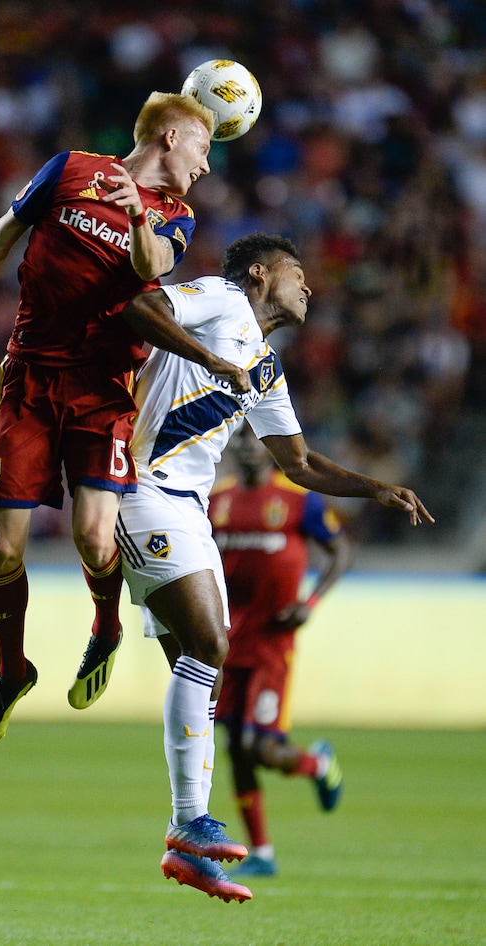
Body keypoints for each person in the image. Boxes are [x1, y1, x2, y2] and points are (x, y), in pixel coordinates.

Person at [0, 92, 250, 750]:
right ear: (172, 138)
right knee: (3, 548)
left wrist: (135, 219)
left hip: (102, 389)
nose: (207, 167)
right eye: (205, 150)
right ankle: (12, 671)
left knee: (96, 539)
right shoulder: (68, 171)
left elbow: (153, 272)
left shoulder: (175, 217)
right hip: (30, 380)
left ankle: (107, 626)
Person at [98, 232, 433, 902]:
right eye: (297, 273)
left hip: (189, 508)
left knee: (201, 672)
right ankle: (190, 824)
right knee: (210, 649)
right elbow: (139, 307)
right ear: (260, 274)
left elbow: (299, 464)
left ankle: (186, 839)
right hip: (142, 487)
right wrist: (212, 363)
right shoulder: (220, 299)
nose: (309, 287)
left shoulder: (269, 367)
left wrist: (375, 487)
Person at [208, 424, 354, 878]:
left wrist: (309, 604)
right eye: (240, 439)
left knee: (258, 746)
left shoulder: (298, 500)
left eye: (255, 439)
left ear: (271, 449)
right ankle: (263, 854)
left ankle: (317, 764)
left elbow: (340, 552)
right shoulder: (217, 502)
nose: (247, 447)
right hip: (228, 643)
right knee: (235, 746)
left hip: (273, 643)